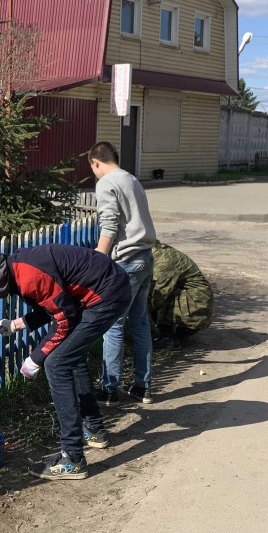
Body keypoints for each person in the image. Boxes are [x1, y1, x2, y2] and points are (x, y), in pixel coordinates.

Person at [0, 244, 131, 481]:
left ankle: (73, 459)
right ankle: (94, 430)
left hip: (106, 296)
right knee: (69, 357)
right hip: (103, 289)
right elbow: (57, 303)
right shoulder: (19, 266)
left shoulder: (30, 277)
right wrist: (17, 324)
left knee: (57, 363)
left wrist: (36, 359)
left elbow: (64, 320)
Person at [88, 141, 156, 406]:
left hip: (125, 261)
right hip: (146, 257)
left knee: (113, 326)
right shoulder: (131, 179)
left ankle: (109, 390)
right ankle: (143, 386)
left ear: (96, 162)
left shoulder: (106, 183)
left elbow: (109, 227)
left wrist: (97, 263)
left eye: (92, 167)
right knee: (139, 323)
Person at [150, 239, 214, 338]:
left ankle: (168, 338)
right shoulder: (155, 250)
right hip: (191, 307)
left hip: (195, 312)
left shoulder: (163, 260)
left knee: (156, 293)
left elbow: (156, 295)